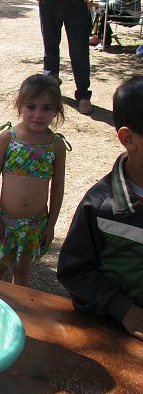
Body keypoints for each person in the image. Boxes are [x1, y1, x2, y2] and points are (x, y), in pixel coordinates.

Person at [57, 75, 143, 342]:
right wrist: (123, 309)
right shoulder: (101, 206)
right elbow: (74, 271)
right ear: (129, 139)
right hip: (118, 334)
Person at [0, 74, 68, 287]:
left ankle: (17, 312)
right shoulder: (8, 138)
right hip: (5, 222)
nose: (38, 114)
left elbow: (57, 188)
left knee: (22, 272)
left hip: (35, 224)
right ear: (20, 105)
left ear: (57, 110)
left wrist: (50, 225)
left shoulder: (55, 145)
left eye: (47, 108)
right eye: (31, 106)